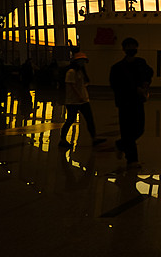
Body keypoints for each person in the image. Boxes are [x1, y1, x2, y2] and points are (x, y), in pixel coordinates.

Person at [109, 38, 153, 168]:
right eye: (129, 46)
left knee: (139, 129)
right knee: (127, 131)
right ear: (124, 49)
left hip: (138, 101)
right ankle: (132, 160)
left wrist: (146, 83)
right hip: (125, 102)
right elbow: (116, 85)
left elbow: (149, 73)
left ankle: (120, 144)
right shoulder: (117, 68)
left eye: (134, 46)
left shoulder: (141, 63)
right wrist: (135, 89)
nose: (131, 48)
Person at [59, 52, 104, 150]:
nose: (82, 63)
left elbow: (81, 84)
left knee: (90, 120)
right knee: (70, 120)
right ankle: (62, 140)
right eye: (80, 61)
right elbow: (71, 85)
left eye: (83, 61)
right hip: (73, 102)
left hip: (83, 100)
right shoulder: (71, 72)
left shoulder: (80, 71)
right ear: (76, 61)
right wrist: (79, 96)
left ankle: (94, 138)